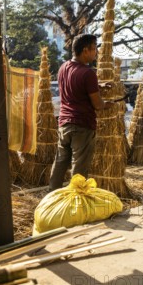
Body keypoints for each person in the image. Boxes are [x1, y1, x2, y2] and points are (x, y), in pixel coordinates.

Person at [49, 34, 114, 190]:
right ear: (85, 50)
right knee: (79, 167)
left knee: (60, 162)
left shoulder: (63, 67)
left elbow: (76, 85)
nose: (96, 52)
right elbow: (98, 105)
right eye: (94, 48)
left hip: (64, 123)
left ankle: (51, 194)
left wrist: (100, 85)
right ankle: (76, 199)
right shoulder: (88, 72)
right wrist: (107, 104)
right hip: (82, 125)